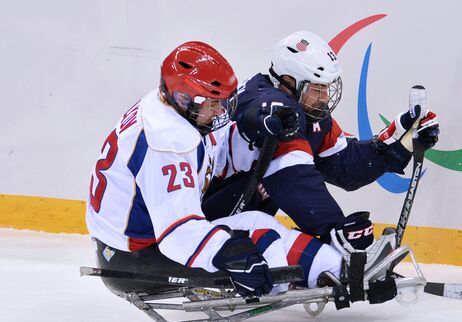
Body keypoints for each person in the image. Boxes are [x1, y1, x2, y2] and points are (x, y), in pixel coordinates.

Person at [85, 41, 373, 300]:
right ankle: (339, 271)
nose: (221, 111)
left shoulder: (169, 106)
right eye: (213, 103)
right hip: (136, 258)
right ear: (185, 99)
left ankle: (339, 269)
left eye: (224, 102)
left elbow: (214, 157)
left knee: (257, 223)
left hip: (130, 242)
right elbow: (178, 233)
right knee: (260, 235)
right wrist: (228, 253)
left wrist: (254, 127)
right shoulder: (168, 142)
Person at [202, 31, 440, 251]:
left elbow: (344, 167)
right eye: (316, 88)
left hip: (239, 217)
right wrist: (335, 230)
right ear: (289, 81)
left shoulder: (305, 112)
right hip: (201, 217)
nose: (324, 97)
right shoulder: (270, 106)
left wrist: (397, 144)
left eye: (326, 88)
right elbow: (292, 178)